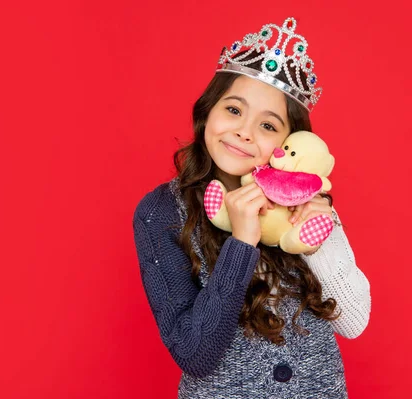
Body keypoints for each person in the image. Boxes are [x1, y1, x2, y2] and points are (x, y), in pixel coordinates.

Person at [132, 17, 371, 398]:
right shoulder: (161, 211)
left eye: (269, 125)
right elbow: (194, 354)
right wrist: (242, 244)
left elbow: (354, 322)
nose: (245, 132)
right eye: (233, 110)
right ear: (208, 111)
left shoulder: (307, 202)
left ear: (288, 142)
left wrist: (319, 241)